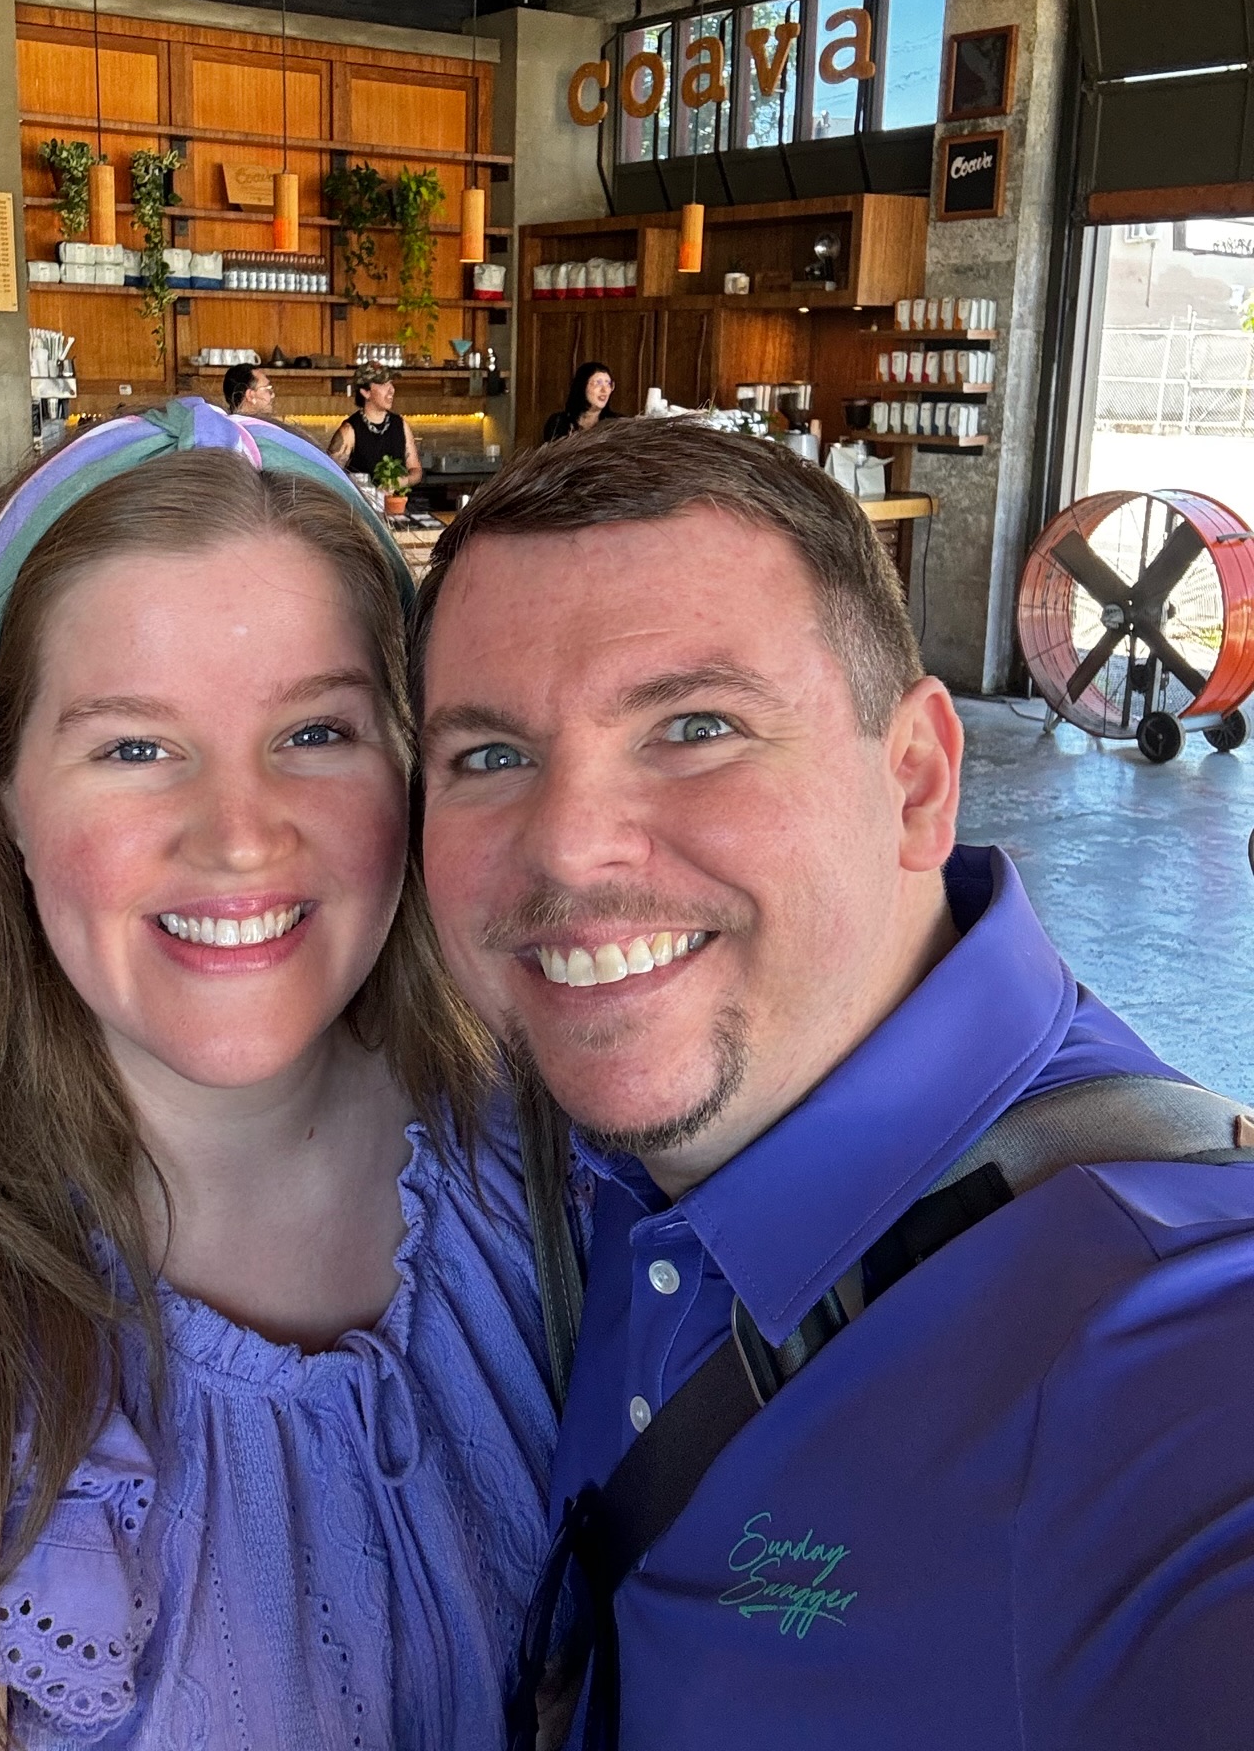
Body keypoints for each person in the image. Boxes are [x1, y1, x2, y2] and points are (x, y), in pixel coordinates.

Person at [0, 400, 561, 1751]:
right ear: (0, 800)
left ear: (411, 759)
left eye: (316, 733)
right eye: (132, 747)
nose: (237, 839)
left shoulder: (540, 1170)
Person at [413, 417, 1254, 1751]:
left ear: (917, 781)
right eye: (490, 757)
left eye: (697, 725)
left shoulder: (1170, 1343)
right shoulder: (557, 1168)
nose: (566, 851)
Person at [329, 365, 423, 487]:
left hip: (395, 504)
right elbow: (329, 476)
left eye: (391, 383)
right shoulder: (349, 431)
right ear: (365, 392)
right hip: (362, 505)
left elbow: (416, 470)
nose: (391, 390)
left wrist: (403, 481)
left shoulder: (400, 424)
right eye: (384, 385)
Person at [542, 361, 621, 443]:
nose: (604, 390)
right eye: (598, 383)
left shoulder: (617, 424)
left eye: (608, 384)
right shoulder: (559, 423)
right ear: (583, 386)